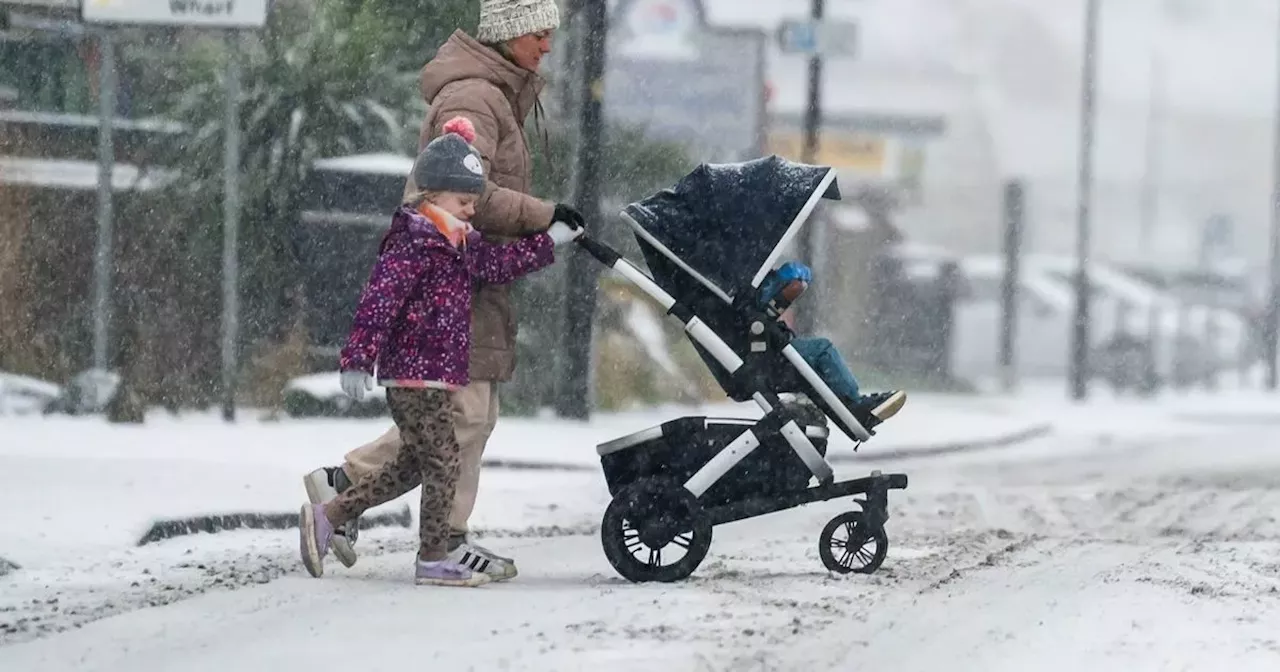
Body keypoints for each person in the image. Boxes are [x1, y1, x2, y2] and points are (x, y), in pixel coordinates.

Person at [301, 0, 579, 580]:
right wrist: (543, 215)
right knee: (466, 420)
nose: (546, 47)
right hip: (449, 291)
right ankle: (440, 542)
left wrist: (549, 239)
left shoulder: (494, 93)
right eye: (539, 35)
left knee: (460, 421)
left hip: (465, 279)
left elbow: (473, 202)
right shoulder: (474, 99)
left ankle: (349, 486)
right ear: (508, 34)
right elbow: (469, 192)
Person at [758, 261, 907, 430]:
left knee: (810, 366)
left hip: (755, 356)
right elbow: (761, 302)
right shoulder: (745, 283)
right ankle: (855, 405)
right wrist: (783, 279)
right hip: (757, 359)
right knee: (821, 350)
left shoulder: (735, 284)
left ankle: (848, 407)